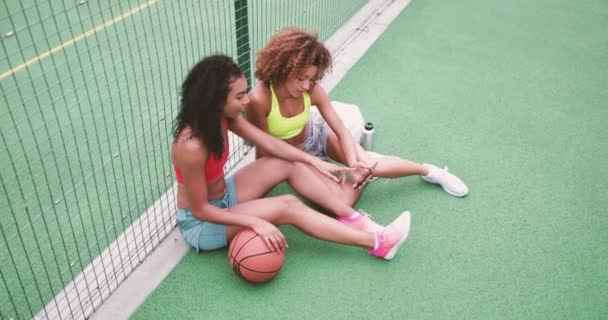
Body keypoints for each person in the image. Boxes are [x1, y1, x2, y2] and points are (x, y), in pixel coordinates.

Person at [171, 54, 411, 260]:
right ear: (215, 100)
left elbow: (269, 143)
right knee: (289, 205)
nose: (247, 101)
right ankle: (378, 244)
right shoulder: (190, 147)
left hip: (225, 196)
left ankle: (353, 218)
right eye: (239, 96)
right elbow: (201, 210)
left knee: (286, 161)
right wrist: (253, 221)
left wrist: (313, 161)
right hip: (202, 223)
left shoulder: (224, 117)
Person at [246, 27, 469, 200]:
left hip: (316, 133)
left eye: (312, 79)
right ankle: (358, 178)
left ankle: (429, 170)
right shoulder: (259, 99)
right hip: (291, 155)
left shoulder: (313, 91)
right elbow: (264, 147)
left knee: (367, 163)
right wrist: (265, 179)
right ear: (283, 66)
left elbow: (341, 130)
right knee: (339, 203)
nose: (306, 85)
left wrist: (354, 162)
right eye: (301, 77)